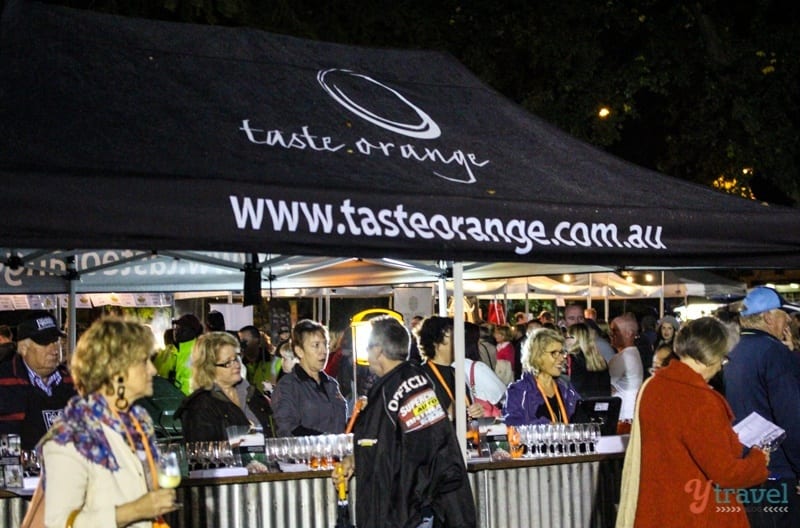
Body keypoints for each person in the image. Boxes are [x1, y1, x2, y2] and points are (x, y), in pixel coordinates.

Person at [617, 317, 769, 528]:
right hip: (699, 513)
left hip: (660, 508)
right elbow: (725, 473)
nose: (720, 367)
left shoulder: (653, 386)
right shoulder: (701, 400)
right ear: (710, 356)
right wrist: (758, 460)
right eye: (722, 359)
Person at [333, 316, 476, 528]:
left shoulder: (401, 387)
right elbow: (387, 441)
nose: (366, 355)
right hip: (412, 509)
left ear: (379, 350)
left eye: (367, 347)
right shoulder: (409, 383)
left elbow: (419, 451)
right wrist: (355, 458)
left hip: (408, 512)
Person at [39, 318, 178, 528]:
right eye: (144, 361)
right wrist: (135, 511)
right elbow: (59, 524)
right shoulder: (71, 437)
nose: (152, 370)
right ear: (115, 370)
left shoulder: (138, 423)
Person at [723, 286, 800, 528]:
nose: (788, 319)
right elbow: (792, 416)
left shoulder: (730, 352)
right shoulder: (773, 353)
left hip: (743, 466)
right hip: (777, 471)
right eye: (783, 314)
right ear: (768, 317)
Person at [176, 331, 275, 441]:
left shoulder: (251, 393)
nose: (237, 365)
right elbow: (202, 452)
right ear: (209, 368)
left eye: (236, 358)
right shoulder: (199, 406)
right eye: (228, 362)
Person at [0, 312, 76, 451]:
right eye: (45, 342)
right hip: (21, 470)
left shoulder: (73, 382)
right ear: (23, 348)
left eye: (55, 341)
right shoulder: (4, 381)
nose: (54, 349)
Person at [271, 319, 347, 436]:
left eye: (325, 344)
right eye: (316, 345)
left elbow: (340, 424)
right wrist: (323, 440)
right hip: (308, 453)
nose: (323, 351)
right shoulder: (287, 386)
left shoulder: (331, 384)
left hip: (336, 452)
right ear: (299, 351)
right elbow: (287, 428)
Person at [503, 328, 581, 425]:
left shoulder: (566, 388)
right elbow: (513, 424)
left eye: (561, 352)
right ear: (537, 355)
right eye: (554, 353)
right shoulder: (519, 391)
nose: (561, 358)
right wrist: (546, 427)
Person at [416, 316, 485, 420]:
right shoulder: (421, 376)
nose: (459, 342)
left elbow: (467, 408)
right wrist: (448, 414)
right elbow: (419, 420)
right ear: (436, 342)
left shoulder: (455, 372)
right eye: (453, 337)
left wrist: (476, 410)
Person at [608, 313, 644, 423]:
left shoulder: (624, 357)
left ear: (628, 334)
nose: (611, 335)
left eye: (615, 331)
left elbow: (606, 387)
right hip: (630, 414)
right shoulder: (634, 353)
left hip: (622, 417)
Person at [565, 323, 611, 397]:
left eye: (567, 337)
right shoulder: (599, 360)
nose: (565, 340)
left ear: (576, 339)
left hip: (579, 403)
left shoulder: (572, 358)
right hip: (601, 404)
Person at [239, 325, 281, 393]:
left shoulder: (275, 363)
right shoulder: (239, 364)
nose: (241, 345)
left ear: (256, 340)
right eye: (240, 341)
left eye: (244, 341)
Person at [172, 313, 204, 395]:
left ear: (191, 331)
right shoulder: (180, 351)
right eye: (176, 327)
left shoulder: (195, 353)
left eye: (180, 328)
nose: (176, 331)